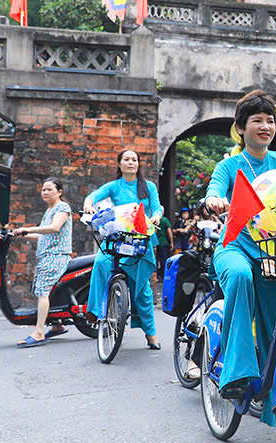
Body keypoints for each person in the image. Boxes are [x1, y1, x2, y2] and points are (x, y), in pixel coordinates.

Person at [202, 91, 276, 421]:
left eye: (270, 120)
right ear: (241, 128)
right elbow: (215, 189)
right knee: (241, 277)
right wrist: (216, 199)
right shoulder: (229, 165)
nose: (265, 126)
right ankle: (236, 372)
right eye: (257, 120)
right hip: (235, 248)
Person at [83, 148, 164, 349]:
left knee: (143, 289)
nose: (131, 163)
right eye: (126, 159)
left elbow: (157, 207)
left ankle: (150, 333)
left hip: (141, 239)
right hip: (118, 238)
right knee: (101, 262)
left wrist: (156, 217)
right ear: (119, 164)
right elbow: (93, 196)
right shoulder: (113, 186)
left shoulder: (148, 186)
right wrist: (88, 204)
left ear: (138, 164)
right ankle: (97, 311)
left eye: (134, 160)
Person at [13, 180, 73, 347]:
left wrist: (29, 228)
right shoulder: (49, 210)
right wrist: (21, 234)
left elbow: (54, 228)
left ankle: (39, 331)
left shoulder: (62, 208)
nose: (45, 192)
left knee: (43, 292)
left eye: (49, 189)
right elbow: (43, 235)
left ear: (59, 191)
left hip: (56, 256)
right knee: (47, 290)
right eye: (43, 190)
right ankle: (57, 324)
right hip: (46, 255)